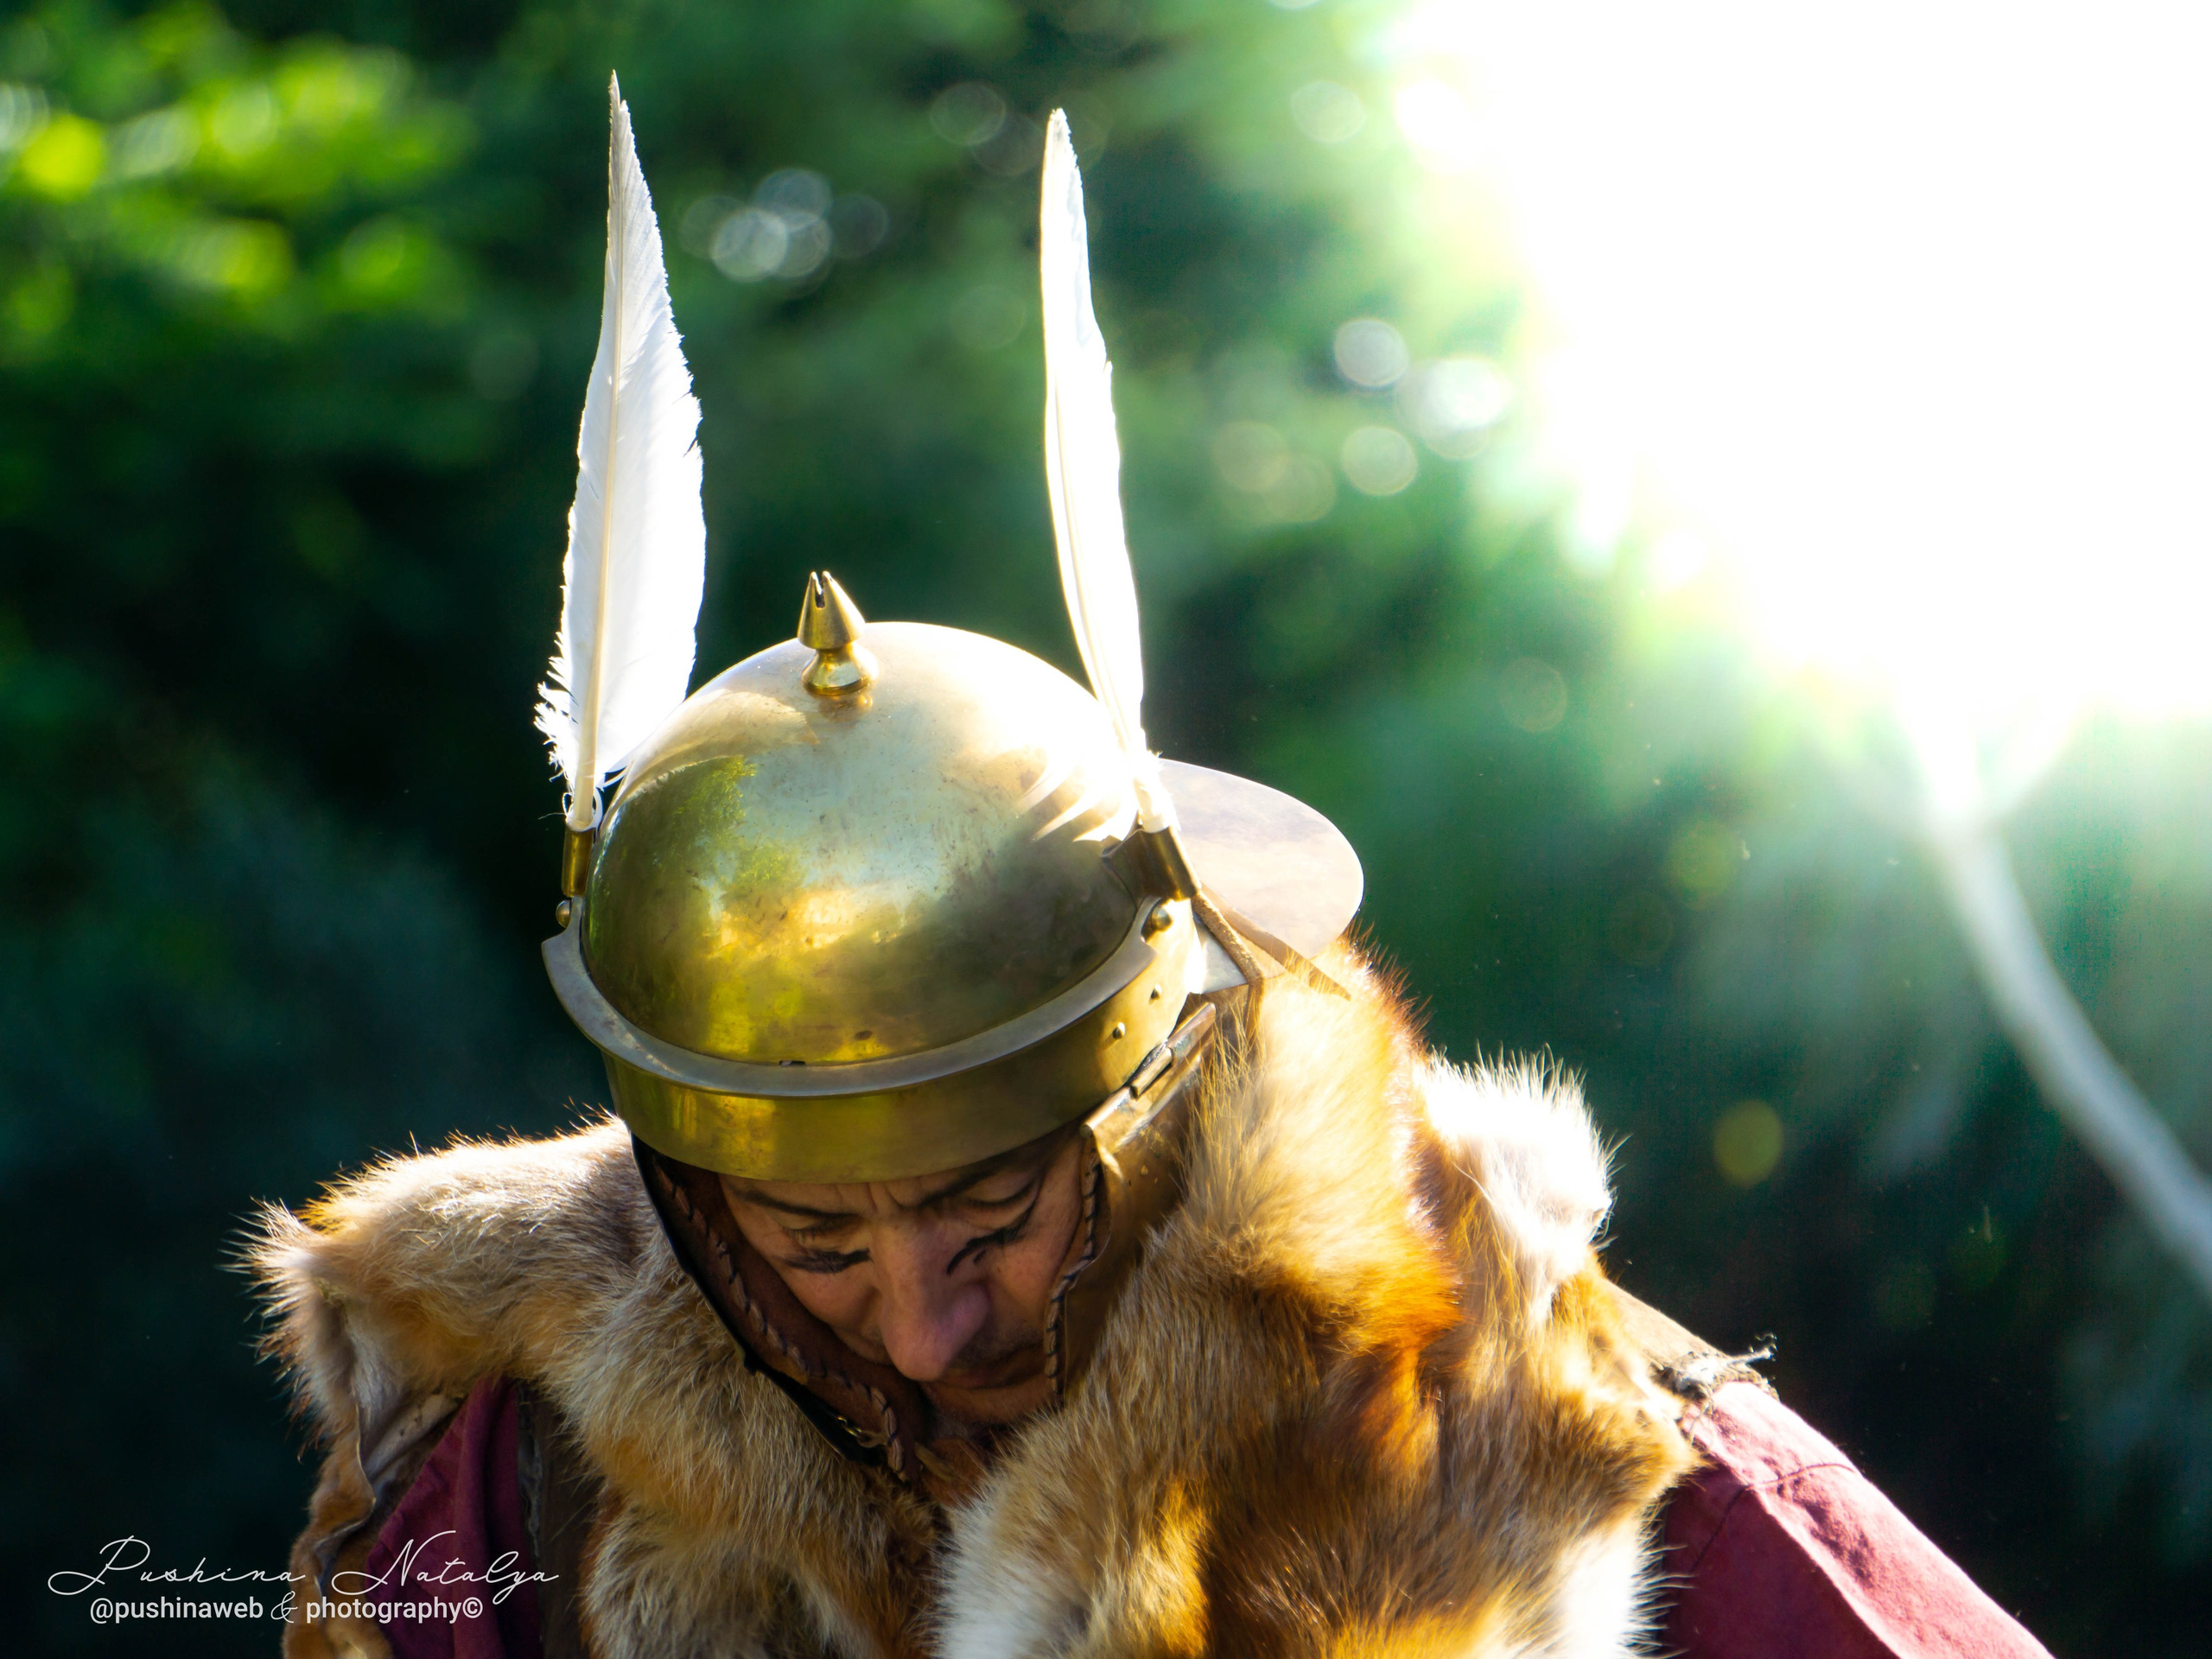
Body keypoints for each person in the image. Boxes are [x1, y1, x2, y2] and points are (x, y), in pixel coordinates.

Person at [251, 93, 2053, 1659]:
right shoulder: (504, 1489)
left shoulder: (1518, 1424)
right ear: (705, 1199)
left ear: (1140, 1102)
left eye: (989, 1216)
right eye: (815, 1242)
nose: (923, 1323)